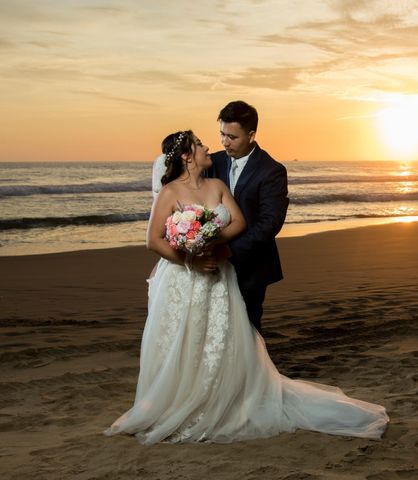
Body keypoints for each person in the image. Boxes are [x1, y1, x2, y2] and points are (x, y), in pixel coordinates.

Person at [104, 130, 388, 444]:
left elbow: (238, 222)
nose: (208, 145)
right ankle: (182, 401)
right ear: (186, 156)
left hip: (219, 276)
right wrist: (192, 259)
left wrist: (211, 241)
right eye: (199, 144)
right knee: (186, 340)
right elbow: (153, 240)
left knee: (221, 338)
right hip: (185, 278)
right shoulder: (170, 192)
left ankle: (223, 398)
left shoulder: (217, 185)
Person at [206, 100, 288, 333]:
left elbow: (270, 222)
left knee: (247, 329)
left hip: (251, 265)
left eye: (232, 137)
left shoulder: (272, 170)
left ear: (251, 135)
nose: (224, 142)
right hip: (212, 264)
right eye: (222, 134)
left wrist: (230, 250)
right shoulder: (212, 162)